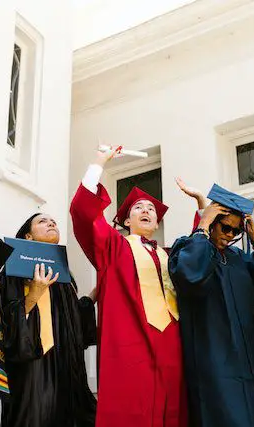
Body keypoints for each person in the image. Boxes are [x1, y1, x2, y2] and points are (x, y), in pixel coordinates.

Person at [69, 146, 188, 427]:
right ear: (124, 221)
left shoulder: (172, 256)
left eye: (151, 209)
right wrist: (100, 161)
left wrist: (200, 205)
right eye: (138, 208)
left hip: (173, 345)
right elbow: (84, 215)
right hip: (129, 347)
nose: (146, 210)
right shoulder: (113, 248)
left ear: (157, 221)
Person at [169, 182, 254, 427]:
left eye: (236, 232)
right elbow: (190, 274)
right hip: (213, 358)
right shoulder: (189, 247)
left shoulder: (239, 258)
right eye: (225, 227)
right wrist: (203, 224)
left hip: (249, 358)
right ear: (212, 221)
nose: (230, 235)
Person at [0, 213, 97, 427]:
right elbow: (7, 321)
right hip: (33, 366)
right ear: (28, 237)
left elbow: (74, 315)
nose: (51, 223)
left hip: (66, 363)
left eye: (54, 222)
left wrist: (99, 290)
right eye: (42, 221)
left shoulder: (64, 276)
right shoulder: (13, 271)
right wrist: (34, 292)